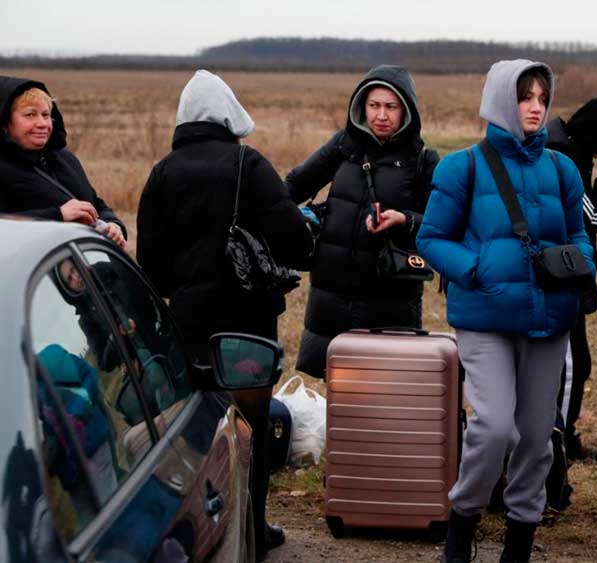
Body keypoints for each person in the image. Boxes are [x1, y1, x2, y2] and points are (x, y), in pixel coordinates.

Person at [416, 60, 594, 563]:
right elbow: (430, 238)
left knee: (537, 439)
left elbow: (579, 235)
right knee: (495, 427)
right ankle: (462, 526)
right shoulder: (462, 167)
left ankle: (519, 541)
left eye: (542, 98)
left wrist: (583, 263)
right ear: (500, 100)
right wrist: (475, 271)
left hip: (548, 322)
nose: (535, 107)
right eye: (524, 97)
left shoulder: (562, 169)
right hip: (486, 320)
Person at [136, 69, 313, 560]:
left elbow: (152, 271)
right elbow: (296, 243)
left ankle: (198, 531)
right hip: (247, 328)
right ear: (229, 114)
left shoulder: (161, 173)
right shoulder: (248, 165)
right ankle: (253, 532)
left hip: (189, 327)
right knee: (250, 431)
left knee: (200, 432)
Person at [285, 65, 439, 378]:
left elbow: (441, 223)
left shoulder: (422, 160)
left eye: (391, 107)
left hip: (390, 299)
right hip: (332, 296)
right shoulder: (344, 145)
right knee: (340, 389)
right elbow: (295, 185)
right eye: (374, 105)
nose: (381, 115)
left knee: (385, 392)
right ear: (361, 107)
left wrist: (404, 220)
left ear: (406, 110)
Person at [545, 97, 597, 461]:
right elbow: (590, 218)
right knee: (572, 364)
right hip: (559, 274)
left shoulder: (564, 146)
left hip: (561, 270)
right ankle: (559, 440)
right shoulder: (563, 155)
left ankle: (562, 433)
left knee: (573, 361)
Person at [0, 76, 126, 249]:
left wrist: (113, 225)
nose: (42, 123)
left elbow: (95, 203)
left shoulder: (65, 158)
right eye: (30, 115)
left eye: (46, 115)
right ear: (5, 123)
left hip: (82, 265)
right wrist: (58, 215)